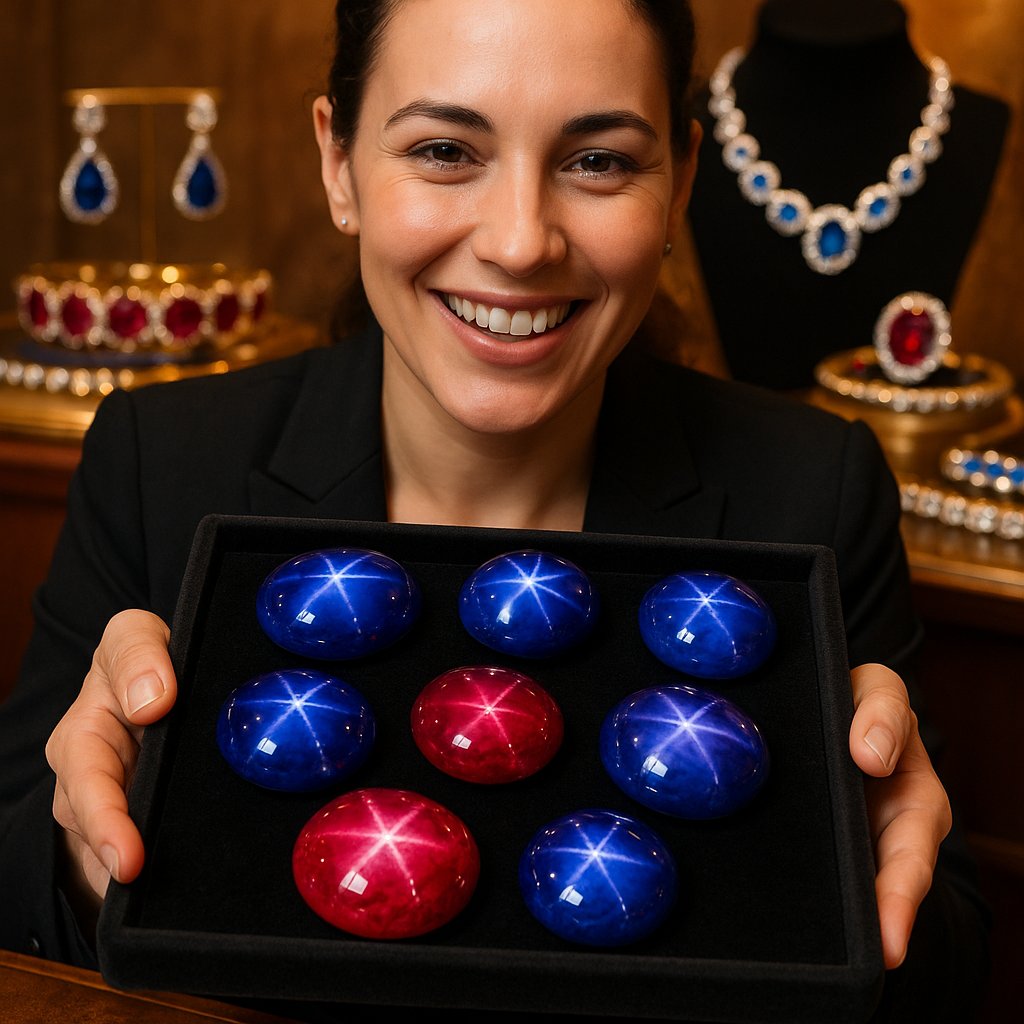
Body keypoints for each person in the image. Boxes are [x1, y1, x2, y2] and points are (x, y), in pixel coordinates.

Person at [0, 0, 988, 1020]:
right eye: (443, 149)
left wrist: (876, 887)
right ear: (338, 164)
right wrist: (83, 851)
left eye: (598, 160)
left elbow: (947, 964)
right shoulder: (159, 460)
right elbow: (11, 885)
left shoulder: (812, 486)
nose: (520, 243)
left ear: (682, 178)